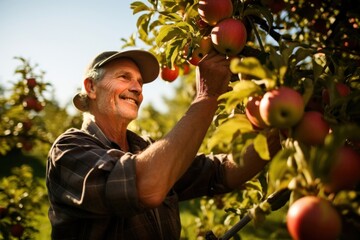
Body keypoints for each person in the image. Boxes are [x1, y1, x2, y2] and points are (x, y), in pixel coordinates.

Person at [46, 49, 281, 239]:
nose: (137, 88)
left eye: (139, 82)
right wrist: (207, 96)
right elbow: (144, 186)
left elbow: (221, 173)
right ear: (91, 87)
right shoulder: (68, 150)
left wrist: (280, 127)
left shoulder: (145, 149)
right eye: (124, 77)